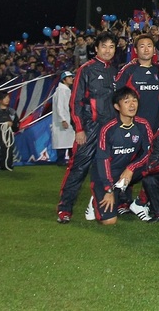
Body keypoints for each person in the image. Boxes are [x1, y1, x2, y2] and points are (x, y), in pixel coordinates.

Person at [57, 32, 118, 223]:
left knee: (107, 169)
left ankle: (100, 205)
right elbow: (75, 102)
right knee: (78, 168)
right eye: (104, 46)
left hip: (110, 129)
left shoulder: (114, 71)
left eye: (111, 47)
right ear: (96, 48)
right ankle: (64, 209)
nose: (107, 50)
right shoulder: (86, 70)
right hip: (90, 128)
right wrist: (79, 129)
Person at [91, 87, 154, 225]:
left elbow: (150, 152)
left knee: (157, 166)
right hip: (106, 175)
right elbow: (102, 160)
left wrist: (132, 167)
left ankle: (139, 203)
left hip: (127, 171)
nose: (132, 105)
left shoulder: (143, 124)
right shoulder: (108, 129)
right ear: (117, 106)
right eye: (126, 101)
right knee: (110, 221)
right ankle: (96, 198)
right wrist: (108, 189)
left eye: (134, 100)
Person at [115, 34, 159, 129]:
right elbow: (116, 96)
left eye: (149, 46)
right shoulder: (128, 70)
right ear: (136, 50)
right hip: (134, 125)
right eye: (142, 46)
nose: (146, 50)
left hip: (157, 124)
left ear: (154, 50)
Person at [52, 71, 75, 165]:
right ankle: (61, 160)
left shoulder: (65, 90)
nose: (71, 79)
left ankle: (70, 159)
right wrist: (63, 119)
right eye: (69, 77)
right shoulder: (61, 91)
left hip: (68, 118)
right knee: (63, 141)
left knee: (68, 141)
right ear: (64, 80)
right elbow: (59, 106)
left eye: (71, 77)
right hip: (65, 119)